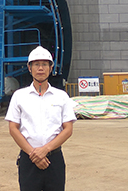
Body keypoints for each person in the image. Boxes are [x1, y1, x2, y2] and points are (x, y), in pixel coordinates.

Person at [5, 46, 77, 191]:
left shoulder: (61, 96)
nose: (40, 68)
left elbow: (68, 129)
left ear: (51, 68)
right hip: (28, 159)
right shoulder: (20, 96)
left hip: (54, 159)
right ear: (29, 68)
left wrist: (45, 150)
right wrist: (33, 154)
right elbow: (13, 128)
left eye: (44, 64)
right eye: (36, 64)